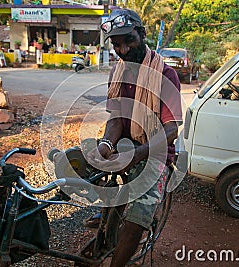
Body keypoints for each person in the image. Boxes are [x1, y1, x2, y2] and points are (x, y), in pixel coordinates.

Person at [86, 8, 182, 267]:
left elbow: (172, 130)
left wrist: (137, 155)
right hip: (125, 148)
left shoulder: (165, 74)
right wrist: (106, 145)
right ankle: (108, 220)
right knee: (83, 169)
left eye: (129, 40)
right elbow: (116, 118)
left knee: (136, 219)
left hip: (155, 152)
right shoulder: (116, 71)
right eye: (117, 45)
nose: (124, 50)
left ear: (142, 34)